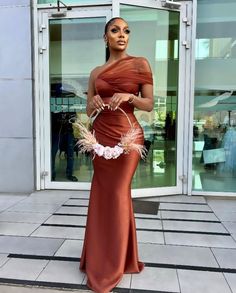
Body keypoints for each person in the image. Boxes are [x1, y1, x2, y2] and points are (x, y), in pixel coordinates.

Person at [79, 17, 153, 293]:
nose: (122, 35)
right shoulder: (96, 72)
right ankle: (106, 257)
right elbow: (88, 110)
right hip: (100, 137)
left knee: (119, 194)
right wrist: (95, 102)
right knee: (102, 195)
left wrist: (129, 97)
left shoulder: (140, 63)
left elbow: (149, 103)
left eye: (126, 31)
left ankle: (113, 264)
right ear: (105, 38)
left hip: (128, 139)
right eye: (115, 30)